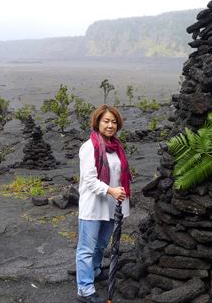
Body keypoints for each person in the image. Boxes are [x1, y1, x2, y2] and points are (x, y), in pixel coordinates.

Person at [75, 104, 131, 303]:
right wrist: (111, 190)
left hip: (110, 205)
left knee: (100, 245)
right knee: (86, 248)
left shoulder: (116, 146)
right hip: (93, 205)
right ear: (97, 122)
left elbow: (119, 175)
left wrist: (119, 194)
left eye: (114, 122)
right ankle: (85, 289)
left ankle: (96, 270)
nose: (110, 125)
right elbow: (89, 179)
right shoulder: (89, 146)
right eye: (106, 121)